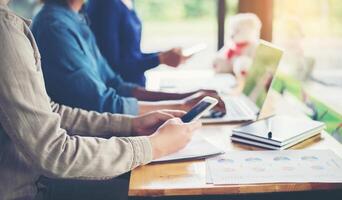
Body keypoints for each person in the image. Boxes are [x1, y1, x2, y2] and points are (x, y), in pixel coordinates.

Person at [0, 1, 202, 199]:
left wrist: (131, 124)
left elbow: (51, 110)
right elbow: (54, 153)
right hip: (29, 189)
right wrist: (153, 145)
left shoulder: (77, 18)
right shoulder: (22, 29)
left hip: (37, 180)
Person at [31, 0, 226, 116]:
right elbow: (99, 103)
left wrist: (186, 97)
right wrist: (181, 105)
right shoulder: (54, 26)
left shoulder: (76, 18)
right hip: (86, 142)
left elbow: (116, 84)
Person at [86, 0, 187, 86]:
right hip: (123, 93)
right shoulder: (107, 5)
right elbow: (113, 66)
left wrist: (163, 56)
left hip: (137, 87)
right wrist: (160, 59)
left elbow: (131, 54)